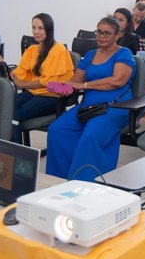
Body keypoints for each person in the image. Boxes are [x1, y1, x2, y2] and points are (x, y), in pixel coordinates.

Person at [46, 17, 135, 181]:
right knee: (57, 130)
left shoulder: (124, 53)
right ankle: (57, 180)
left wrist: (85, 85)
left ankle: (82, 184)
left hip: (115, 107)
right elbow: (76, 81)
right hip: (88, 106)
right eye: (99, 32)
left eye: (107, 33)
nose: (101, 36)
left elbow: (117, 81)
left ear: (117, 35)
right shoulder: (90, 55)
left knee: (90, 135)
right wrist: (63, 88)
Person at [0, 13, 74, 143]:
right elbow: (16, 75)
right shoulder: (32, 50)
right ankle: (12, 150)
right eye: (34, 27)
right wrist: (0, 60)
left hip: (53, 97)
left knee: (11, 113)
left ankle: (16, 156)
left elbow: (51, 84)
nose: (36, 32)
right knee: (4, 106)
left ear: (49, 29)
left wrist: (24, 85)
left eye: (40, 28)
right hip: (34, 94)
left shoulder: (58, 50)